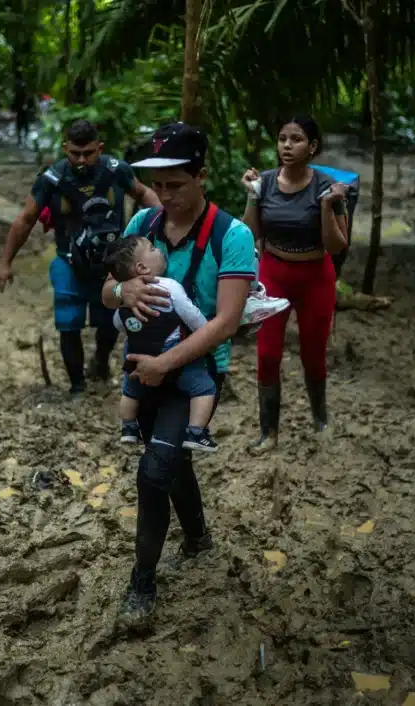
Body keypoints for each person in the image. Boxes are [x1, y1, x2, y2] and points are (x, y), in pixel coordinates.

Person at [100, 122, 256, 627]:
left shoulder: (232, 235)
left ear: (201, 176)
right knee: (172, 462)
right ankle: (197, 537)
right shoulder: (142, 224)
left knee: (151, 473)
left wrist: (165, 364)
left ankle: (140, 584)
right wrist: (119, 293)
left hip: (192, 374)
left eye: (176, 185)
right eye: (159, 185)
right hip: (143, 368)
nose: (165, 196)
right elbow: (108, 287)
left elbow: (228, 320)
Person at [0, 119, 160, 394]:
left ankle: (100, 363)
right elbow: (25, 220)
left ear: (100, 148)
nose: (81, 160)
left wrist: (163, 223)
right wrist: (5, 262)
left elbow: (144, 194)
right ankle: (77, 386)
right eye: (75, 153)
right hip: (68, 261)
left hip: (112, 263)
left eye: (88, 153)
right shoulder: (52, 180)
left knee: (109, 319)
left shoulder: (116, 171)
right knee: (68, 323)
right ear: (65, 149)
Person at [241, 116, 349, 452]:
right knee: (268, 353)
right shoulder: (266, 183)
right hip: (274, 272)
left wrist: (328, 207)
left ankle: (321, 419)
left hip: (316, 276)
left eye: (296, 139)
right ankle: (267, 433)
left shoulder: (329, 187)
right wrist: (252, 197)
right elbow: (250, 235)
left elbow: (336, 246)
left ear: (312, 147)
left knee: (313, 354)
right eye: (282, 138)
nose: (287, 146)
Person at [106, 236, 219, 453]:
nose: (159, 250)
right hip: (174, 358)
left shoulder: (125, 298)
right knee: (203, 388)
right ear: (142, 267)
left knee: (130, 391)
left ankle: (128, 428)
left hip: (137, 359)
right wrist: (206, 331)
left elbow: (119, 323)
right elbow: (191, 315)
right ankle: (196, 432)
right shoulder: (168, 286)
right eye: (153, 248)